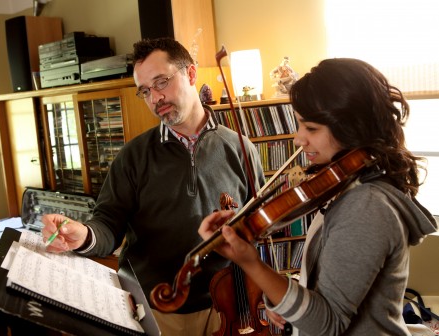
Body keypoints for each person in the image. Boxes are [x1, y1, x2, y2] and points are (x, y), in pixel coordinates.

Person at [41, 37, 265, 336]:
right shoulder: (133, 156)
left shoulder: (240, 148)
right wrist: (82, 235)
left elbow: (258, 227)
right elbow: (107, 224)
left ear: (191, 74)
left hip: (226, 306)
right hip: (156, 310)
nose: (155, 98)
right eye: (145, 91)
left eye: (161, 82)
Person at [199, 58, 438, 335]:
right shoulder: (345, 189)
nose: (299, 139)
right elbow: (325, 293)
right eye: (299, 125)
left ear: (352, 127)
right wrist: (283, 299)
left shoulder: (367, 204)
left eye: (311, 128)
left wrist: (251, 263)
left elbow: (328, 325)